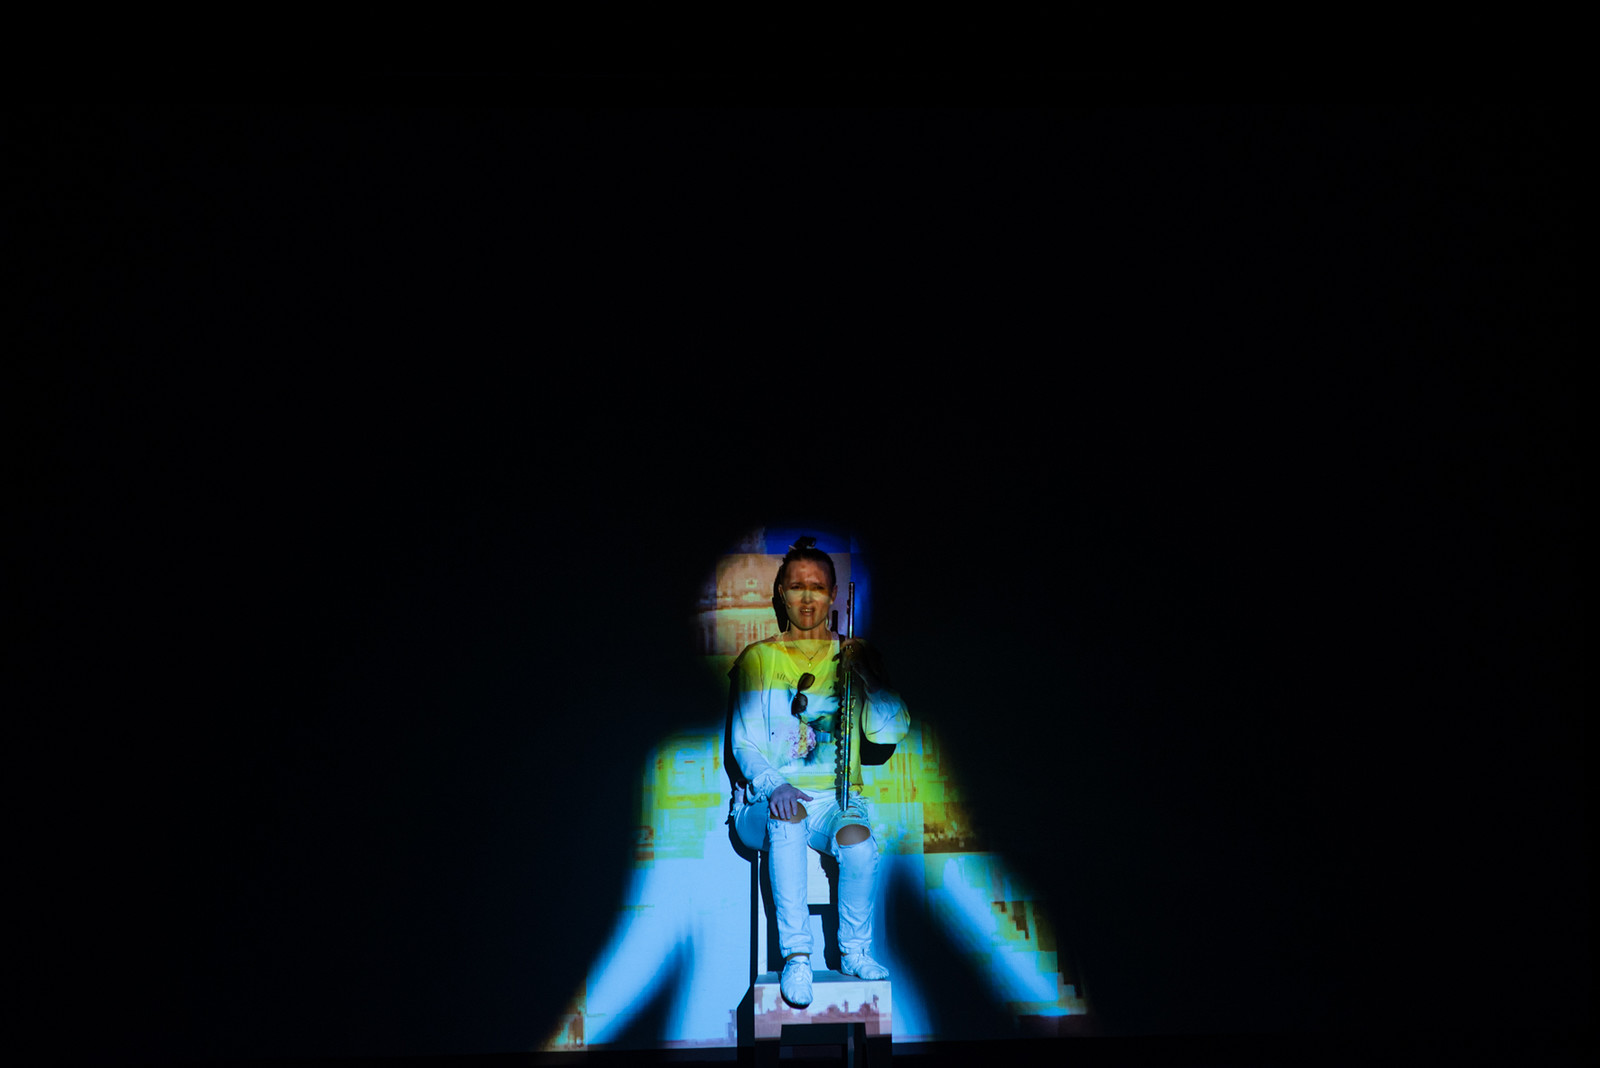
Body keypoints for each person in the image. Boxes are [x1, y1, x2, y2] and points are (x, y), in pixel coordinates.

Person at [728, 537, 909, 1009]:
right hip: (766, 799)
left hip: (833, 799)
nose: (807, 597)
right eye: (796, 587)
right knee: (788, 820)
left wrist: (869, 678)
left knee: (860, 846)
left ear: (832, 595)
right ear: (781, 594)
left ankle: (854, 952)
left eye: (818, 587)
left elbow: (888, 733)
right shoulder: (759, 658)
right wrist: (776, 785)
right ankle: (797, 956)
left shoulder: (855, 653)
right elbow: (744, 742)